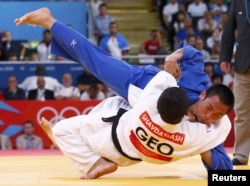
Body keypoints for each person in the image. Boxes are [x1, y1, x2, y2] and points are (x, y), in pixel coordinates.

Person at [14, 7, 235, 173]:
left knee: (101, 119)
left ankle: (71, 143)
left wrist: (208, 153)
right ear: (204, 95)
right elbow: (193, 54)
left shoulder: (211, 131)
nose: (210, 117)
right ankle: (49, 20)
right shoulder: (198, 83)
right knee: (95, 60)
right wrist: (172, 57)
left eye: (218, 116)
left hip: (140, 123)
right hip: (140, 86)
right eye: (210, 109)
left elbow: (225, 174)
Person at [219, 0, 250, 166]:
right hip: (243, 66)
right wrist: (225, 56)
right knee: (242, 113)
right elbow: (229, 30)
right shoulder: (238, 2)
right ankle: (241, 154)